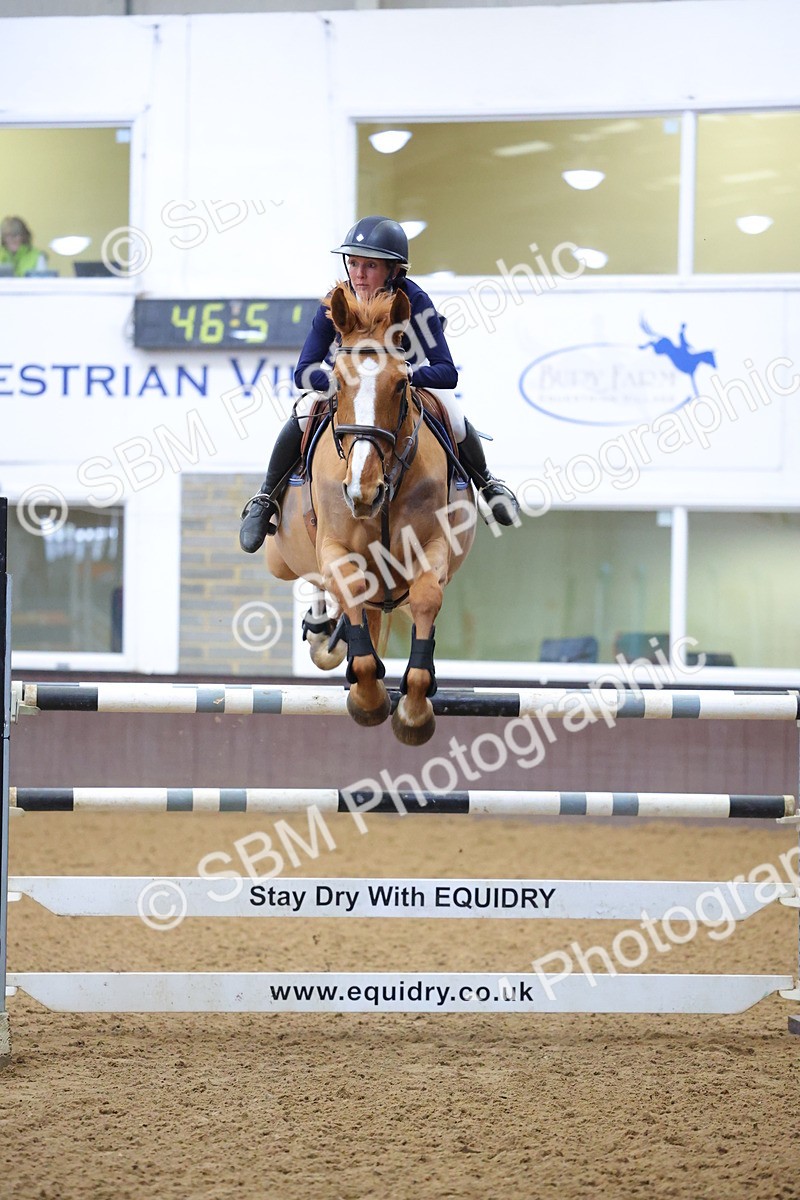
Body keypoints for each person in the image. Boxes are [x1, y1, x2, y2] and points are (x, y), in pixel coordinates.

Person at [239, 215, 520, 552]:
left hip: (399, 389)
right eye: (353, 263)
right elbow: (303, 370)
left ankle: (487, 483)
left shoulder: (415, 302)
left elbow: (447, 371)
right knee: (303, 412)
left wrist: (405, 377)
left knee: (453, 413)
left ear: (394, 271)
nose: (358, 273)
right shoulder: (336, 301)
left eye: (369, 265)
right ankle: (265, 497)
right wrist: (339, 382)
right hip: (346, 390)